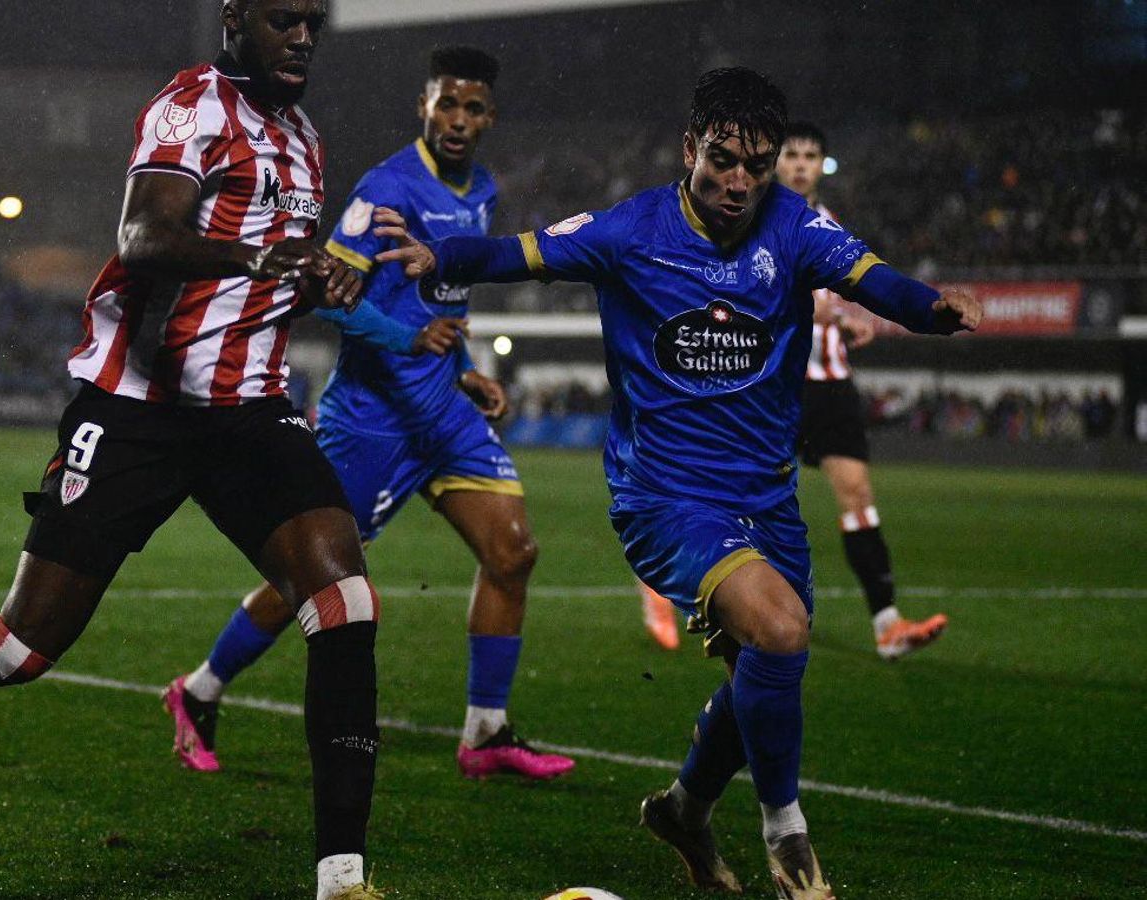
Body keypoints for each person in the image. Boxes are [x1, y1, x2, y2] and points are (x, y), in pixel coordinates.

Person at [0, 3, 386, 897]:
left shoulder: (305, 139)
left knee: (345, 601)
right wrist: (266, 257)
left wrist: (324, 276)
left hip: (248, 414)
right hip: (136, 408)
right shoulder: (190, 107)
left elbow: (265, 290)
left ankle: (342, 881)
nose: (303, 35)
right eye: (283, 18)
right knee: (18, 651)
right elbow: (143, 237)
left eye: (314, 20)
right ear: (235, 18)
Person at [371, 67, 982, 899]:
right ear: (691, 149)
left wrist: (929, 307)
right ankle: (788, 838)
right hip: (665, 497)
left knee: (766, 663)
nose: (739, 182)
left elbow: (873, 279)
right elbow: (520, 253)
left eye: (756, 166)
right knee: (778, 629)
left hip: (767, 499)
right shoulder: (632, 229)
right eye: (723, 160)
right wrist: (438, 252)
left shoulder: (795, 226)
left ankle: (685, 809)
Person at [162, 46, 574, 782]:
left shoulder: (480, 190)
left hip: (443, 411)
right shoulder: (387, 187)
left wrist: (467, 370)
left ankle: (485, 732)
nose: (457, 119)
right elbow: (327, 297)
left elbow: (445, 300)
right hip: (372, 420)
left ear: (490, 117)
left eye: (472, 107)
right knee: (310, 582)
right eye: (445, 103)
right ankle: (198, 692)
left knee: (513, 551)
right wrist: (408, 339)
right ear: (424, 105)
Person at [777, 122, 948, 659]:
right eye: (792, 154)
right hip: (773, 384)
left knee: (857, 497)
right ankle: (677, 588)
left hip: (829, 385)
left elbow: (837, 291)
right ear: (775, 160)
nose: (801, 164)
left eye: (811, 155)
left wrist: (845, 323)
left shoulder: (827, 223)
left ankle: (887, 624)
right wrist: (810, 305)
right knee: (742, 497)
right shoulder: (755, 216)